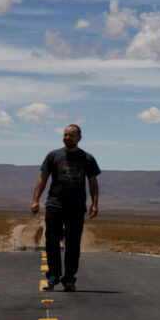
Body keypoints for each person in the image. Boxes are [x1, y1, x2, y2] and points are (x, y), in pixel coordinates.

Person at [32, 124, 100, 292]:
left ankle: (69, 279)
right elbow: (43, 179)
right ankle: (53, 276)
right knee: (52, 240)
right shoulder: (53, 156)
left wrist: (95, 203)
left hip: (76, 206)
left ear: (79, 138)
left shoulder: (87, 159)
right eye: (65, 135)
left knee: (73, 243)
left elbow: (93, 182)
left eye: (71, 135)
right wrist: (35, 200)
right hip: (55, 203)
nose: (67, 138)